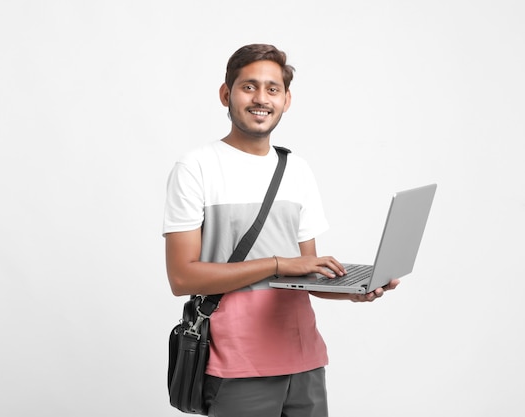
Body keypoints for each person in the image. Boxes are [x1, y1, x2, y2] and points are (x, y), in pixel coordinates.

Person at [163, 44, 399, 417]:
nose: (261, 98)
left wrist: (353, 291)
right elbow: (181, 276)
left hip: (304, 358)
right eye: (249, 87)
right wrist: (276, 263)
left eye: (273, 89)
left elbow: (304, 272)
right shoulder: (196, 167)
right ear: (226, 94)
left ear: (287, 100)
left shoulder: (298, 170)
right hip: (238, 362)